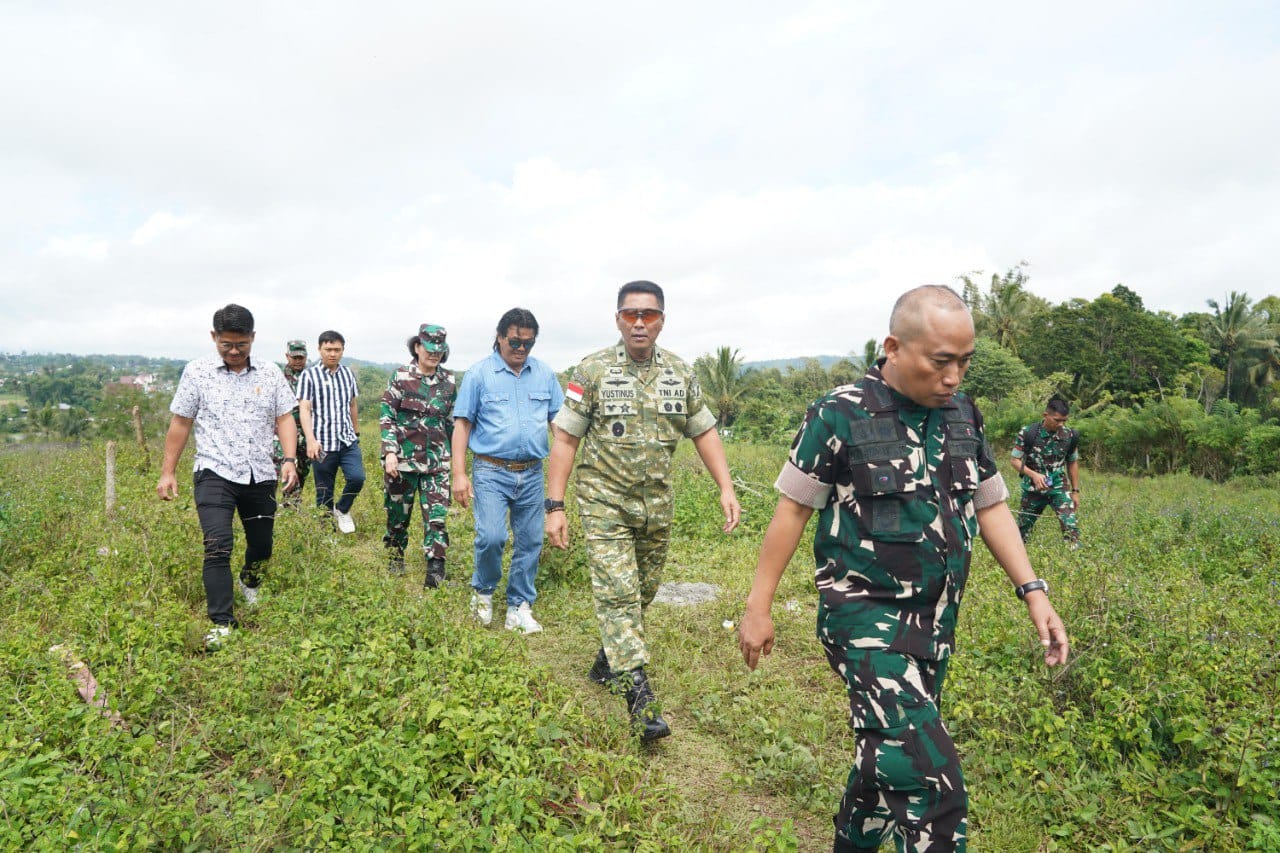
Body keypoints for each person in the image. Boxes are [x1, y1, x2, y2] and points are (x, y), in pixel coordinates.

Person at [737, 285, 1069, 850]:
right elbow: (792, 509)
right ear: (894, 346)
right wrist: (757, 606)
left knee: (884, 764)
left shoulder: (964, 414)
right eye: (941, 361)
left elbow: (990, 504)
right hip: (863, 622)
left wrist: (1034, 592)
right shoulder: (838, 413)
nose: (954, 377)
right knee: (932, 784)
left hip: (935, 627)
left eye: (965, 361)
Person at [546, 280, 741, 742]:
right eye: (631, 314)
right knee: (618, 591)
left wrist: (726, 487)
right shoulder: (591, 371)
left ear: (661, 321)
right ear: (618, 319)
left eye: (649, 314)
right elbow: (566, 439)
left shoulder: (681, 372)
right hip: (603, 499)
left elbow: (704, 432)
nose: (639, 322)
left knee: (643, 590)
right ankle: (639, 697)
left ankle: (607, 660)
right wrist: (555, 505)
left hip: (657, 502)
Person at [156, 304, 299, 647]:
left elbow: (284, 418)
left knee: (262, 545)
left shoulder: (269, 373)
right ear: (214, 338)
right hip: (214, 471)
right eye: (226, 345)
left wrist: (290, 458)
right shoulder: (197, 372)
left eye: (241, 345)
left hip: (260, 472)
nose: (234, 352)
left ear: (252, 338)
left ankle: (250, 584)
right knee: (218, 544)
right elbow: (181, 422)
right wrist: (167, 471)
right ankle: (222, 621)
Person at [451, 308, 564, 633]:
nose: (521, 349)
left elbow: (557, 422)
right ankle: (484, 592)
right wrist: (460, 473)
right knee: (492, 536)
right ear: (500, 337)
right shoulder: (479, 375)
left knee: (530, 541)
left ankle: (519, 605)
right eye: (515, 341)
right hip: (490, 471)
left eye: (528, 343)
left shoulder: (544, 375)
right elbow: (463, 425)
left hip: (531, 472)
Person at [380, 324, 456, 588]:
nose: (434, 355)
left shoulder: (449, 381)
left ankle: (435, 572)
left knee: (437, 517)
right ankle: (395, 554)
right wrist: (390, 451)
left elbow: (451, 422)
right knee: (397, 516)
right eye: (429, 349)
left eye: (439, 351)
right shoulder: (400, 377)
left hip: (437, 462)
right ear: (417, 347)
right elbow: (387, 416)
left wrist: (456, 458)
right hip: (402, 460)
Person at [297, 330, 365, 534]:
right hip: (322, 443)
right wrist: (310, 440)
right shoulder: (309, 375)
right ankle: (327, 536)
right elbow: (305, 409)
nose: (332, 354)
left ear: (343, 350)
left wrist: (356, 431)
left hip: (346, 440)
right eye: (328, 349)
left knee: (357, 478)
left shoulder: (347, 374)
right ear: (319, 350)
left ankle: (342, 509)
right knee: (324, 492)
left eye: (337, 349)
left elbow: (352, 404)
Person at [1011, 398, 1082, 546]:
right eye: (1057, 420)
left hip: (1059, 488)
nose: (1061, 424)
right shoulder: (1028, 433)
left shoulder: (1070, 436)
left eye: (1064, 420)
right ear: (1045, 415)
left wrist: (1075, 491)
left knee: (1071, 527)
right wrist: (1034, 475)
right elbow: (1015, 461)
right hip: (1032, 489)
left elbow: (1072, 462)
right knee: (1022, 531)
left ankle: (1075, 559)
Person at [272, 339, 311, 506]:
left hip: (306, 432)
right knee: (286, 464)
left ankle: (289, 505)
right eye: (294, 357)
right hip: (281, 430)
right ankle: (291, 506)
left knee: (302, 469)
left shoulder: (312, 377)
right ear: (287, 356)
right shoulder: (277, 378)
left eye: (301, 358)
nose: (297, 361)